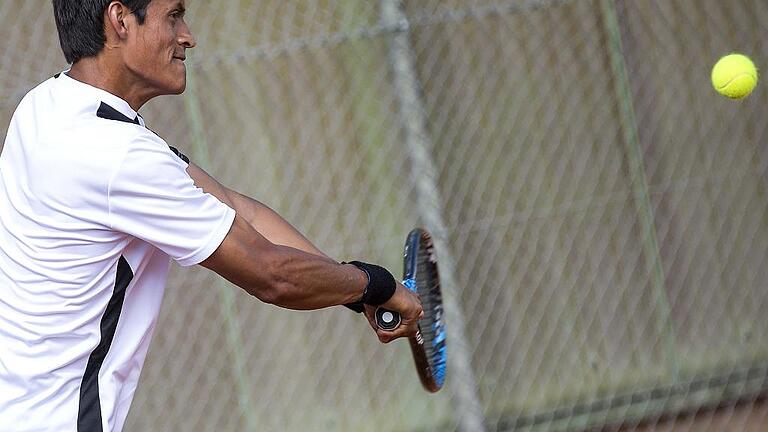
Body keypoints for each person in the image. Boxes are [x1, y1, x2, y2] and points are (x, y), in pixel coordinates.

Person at [0, 1, 423, 431]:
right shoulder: (117, 156)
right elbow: (273, 275)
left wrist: (357, 294)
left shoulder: (46, 107)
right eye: (173, 16)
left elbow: (240, 211)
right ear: (120, 19)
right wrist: (375, 282)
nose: (188, 36)